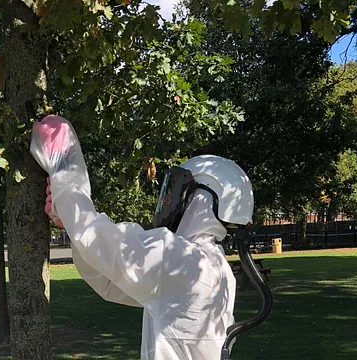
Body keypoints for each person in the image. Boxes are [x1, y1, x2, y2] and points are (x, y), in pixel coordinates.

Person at [31, 115, 254, 360]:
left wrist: (65, 170)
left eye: (175, 192)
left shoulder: (183, 261)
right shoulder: (211, 265)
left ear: (202, 199)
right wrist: (71, 223)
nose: (168, 201)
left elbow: (100, 239)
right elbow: (110, 283)